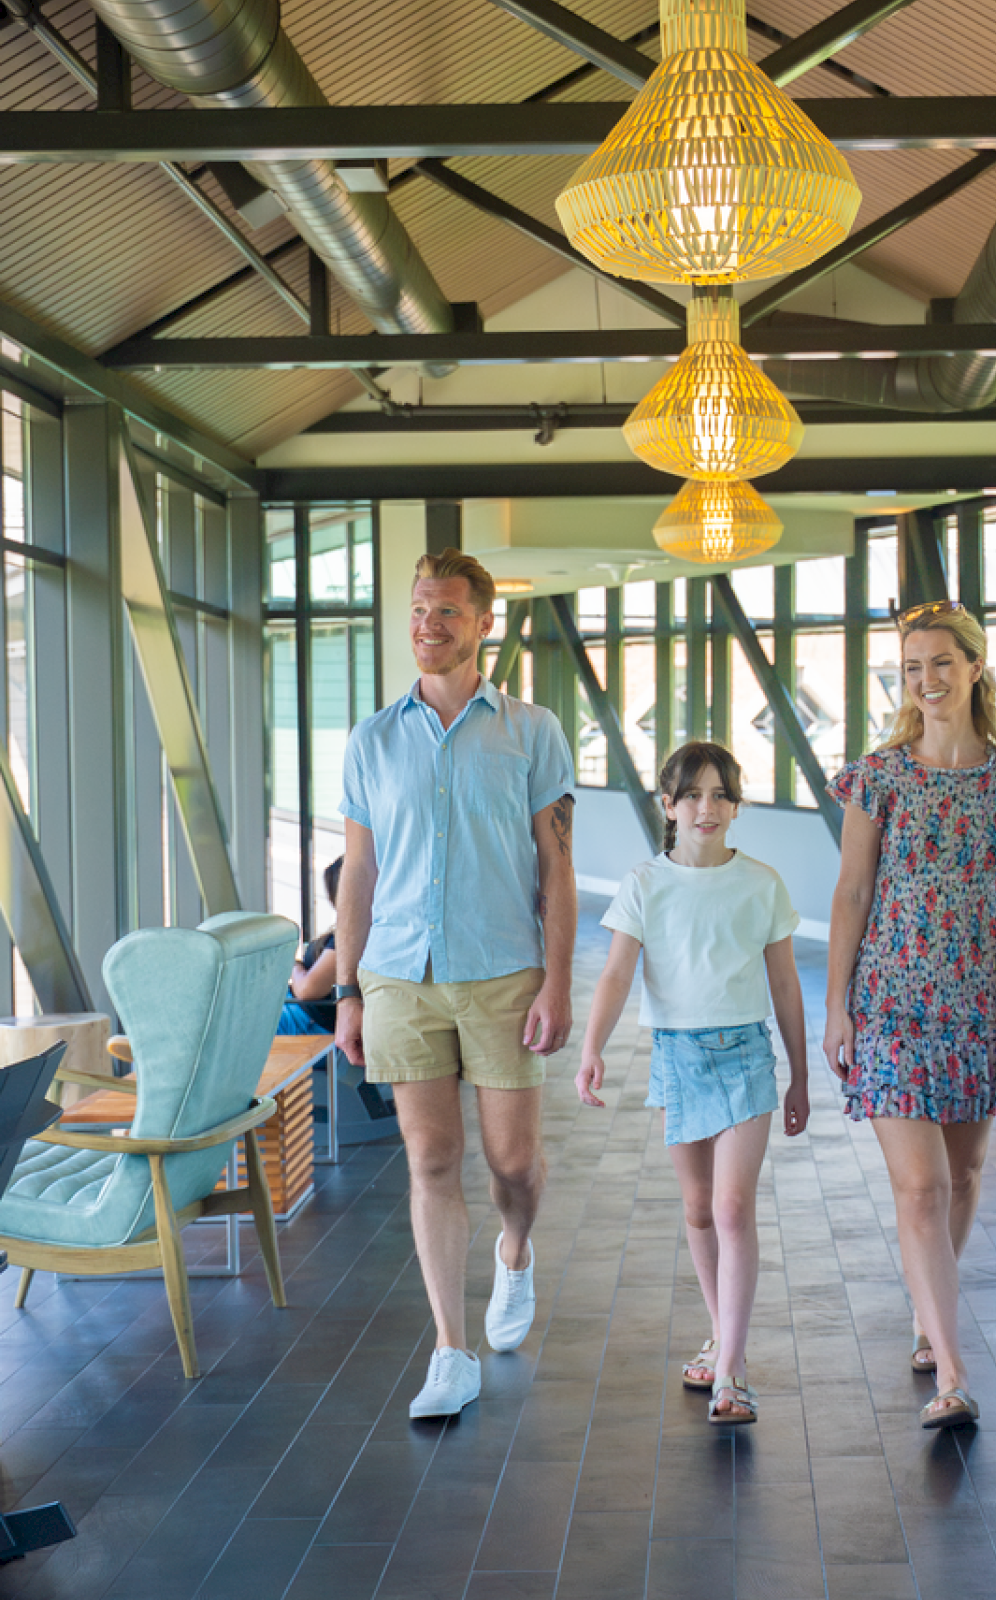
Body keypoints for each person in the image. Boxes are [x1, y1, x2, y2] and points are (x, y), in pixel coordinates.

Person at [334, 547, 577, 1421]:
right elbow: (357, 876)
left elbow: (557, 867)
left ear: (482, 623)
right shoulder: (371, 739)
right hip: (400, 976)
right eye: (417, 609)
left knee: (512, 1163)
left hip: (503, 973)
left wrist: (558, 982)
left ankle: (516, 1248)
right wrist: (348, 991)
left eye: (445, 611)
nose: (427, 625)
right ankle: (449, 1349)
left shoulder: (532, 731)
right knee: (432, 1159)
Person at [823, 600, 996, 1431]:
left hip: (979, 1001)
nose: (925, 681)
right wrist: (837, 1006)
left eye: (941, 663)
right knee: (921, 1187)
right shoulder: (877, 776)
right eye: (912, 667)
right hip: (890, 1001)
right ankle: (952, 1369)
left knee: (965, 1176)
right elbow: (851, 893)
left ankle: (930, 1309)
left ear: (976, 667)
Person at [575, 741, 809, 1425]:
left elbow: (785, 984)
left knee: (733, 1208)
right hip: (676, 1057)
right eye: (693, 795)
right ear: (669, 805)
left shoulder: (761, 883)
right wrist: (591, 1048)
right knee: (700, 1208)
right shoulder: (644, 883)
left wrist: (799, 1075)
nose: (707, 808)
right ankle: (720, 1331)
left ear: (736, 806)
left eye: (721, 795)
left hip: (745, 1054)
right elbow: (616, 972)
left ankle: (731, 1369)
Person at [277, 856, 342, 1035]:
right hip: (297, 1012)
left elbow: (307, 990)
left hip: (302, 1019)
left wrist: (293, 965)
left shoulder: (347, 940)